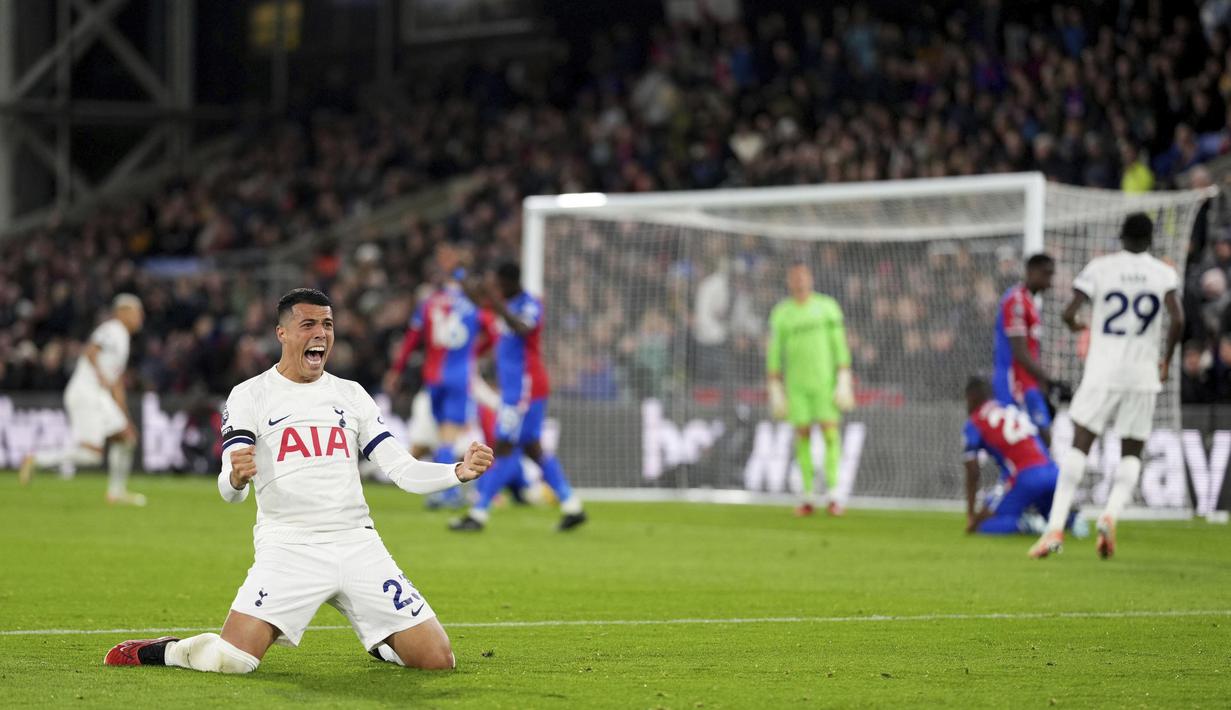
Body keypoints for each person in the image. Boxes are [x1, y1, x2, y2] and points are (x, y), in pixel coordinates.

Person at [102, 288, 493, 672]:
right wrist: (236, 478)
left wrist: (458, 472)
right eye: (308, 324)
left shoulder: (351, 394)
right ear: (282, 333)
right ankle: (168, 651)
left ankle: (386, 645)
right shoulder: (250, 395)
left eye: (327, 324)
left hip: (357, 543)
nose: (321, 333)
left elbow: (402, 470)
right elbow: (229, 490)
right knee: (233, 661)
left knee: (438, 661)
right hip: (289, 547)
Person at [1029, 213, 1184, 559]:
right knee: (1132, 452)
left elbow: (1068, 312)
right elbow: (1178, 318)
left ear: (1121, 236)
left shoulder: (1100, 267)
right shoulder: (1163, 272)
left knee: (1080, 445)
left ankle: (1054, 529)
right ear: (1150, 240)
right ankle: (1110, 514)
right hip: (1143, 375)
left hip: (1102, 371)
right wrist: (1166, 360)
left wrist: (1081, 324)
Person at [450, 263, 586, 531]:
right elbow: (480, 301)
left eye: (499, 285)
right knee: (533, 450)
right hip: (515, 391)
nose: (497, 290)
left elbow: (523, 328)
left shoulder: (529, 304)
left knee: (502, 447)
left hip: (526, 389)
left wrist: (495, 301)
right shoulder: (503, 303)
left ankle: (478, 514)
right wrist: (460, 275)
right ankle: (572, 506)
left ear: (510, 282)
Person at [19, 294, 146, 505]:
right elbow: (91, 351)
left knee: (127, 438)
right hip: (86, 393)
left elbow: (116, 383)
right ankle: (37, 459)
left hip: (98, 395)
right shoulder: (112, 329)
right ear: (123, 312)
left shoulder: (123, 337)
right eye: (137, 312)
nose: (140, 317)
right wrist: (100, 375)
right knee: (91, 454)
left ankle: (116, 493)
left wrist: (125, 414)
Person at [384, 246, 484, 509]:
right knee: (449, 435)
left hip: (433, 376)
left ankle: (443, 489)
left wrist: (396, 369)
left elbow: (412, 339)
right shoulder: (474, 306)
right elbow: (493, 335)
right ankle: (447, 491)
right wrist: (477, 350)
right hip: (459, 375)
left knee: (443, 434)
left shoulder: (429, 303)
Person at [766, 262, 855, 516]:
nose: (799, 281)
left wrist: (844, 374)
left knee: (829, 435)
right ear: (789, 281)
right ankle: (807, 496)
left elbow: (839, 343)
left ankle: (835, 494)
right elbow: (774, 350)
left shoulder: (827, 307)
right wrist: (774, 382)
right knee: (802, 436)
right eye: (794, 277)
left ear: (811, 278)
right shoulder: (782, 313)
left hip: (824, 384)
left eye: (803, 275)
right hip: (796, 386)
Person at [962, 377, 1083, 536]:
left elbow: (972, 471)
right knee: (1051, 515)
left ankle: (1027, 523)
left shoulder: (975, 422)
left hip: (1025, 476)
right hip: (1052, 471)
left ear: (972, 397)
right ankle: (1073, 521)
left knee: (983, 524)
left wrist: (972, 515)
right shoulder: (1009, 408)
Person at [992, 254, 1058, 443]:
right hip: (1014, 382)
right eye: (1046, 274)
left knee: (1039, 440)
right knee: (1027, 441)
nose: (1049, 281)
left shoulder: (1028, 302)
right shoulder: (1016, 302)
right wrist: (1048, 379)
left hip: (1028, 382)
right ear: (1030, 272)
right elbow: (1020, 352)